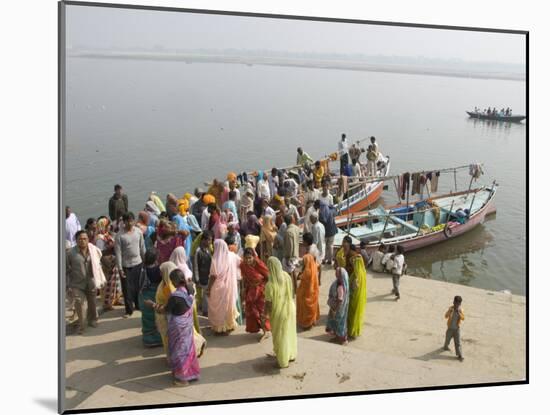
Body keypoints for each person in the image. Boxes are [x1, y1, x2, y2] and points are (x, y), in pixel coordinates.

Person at [146, 268, 200, 386]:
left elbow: (164, 310)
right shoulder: (189, 287)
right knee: (188, 349)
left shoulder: (175, 296)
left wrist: (152, 305)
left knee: (179, 351)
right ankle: (192, 373)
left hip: (178, 328)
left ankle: (183, 378)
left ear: (174, 281)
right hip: (187, 327)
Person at [66, 230, 105, 334]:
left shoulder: (93, 250)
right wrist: (67, 285)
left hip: (91, 281)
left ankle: (93, 320)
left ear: (88, 240)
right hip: (77, 284)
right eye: (80, 239)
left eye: (85, 239)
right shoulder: (70, 253)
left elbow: (99, 261)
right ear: (76, 240)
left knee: (92, 302)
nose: (82, 241)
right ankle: (82, 325)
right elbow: (65, 270)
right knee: (80, 304)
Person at [264, 257, 298, 368]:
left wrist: (264, 315)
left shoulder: (270, 285)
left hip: (279, 313)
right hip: (290, 308)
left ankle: (283, 361)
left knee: (280, 336)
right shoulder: (286, 276)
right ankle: (290, 355)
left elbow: (268, 304)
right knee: (289, 333)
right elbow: (292, 292)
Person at [114, 212, 146, 318]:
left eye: (131, 220)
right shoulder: (119, 235)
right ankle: (129, 310)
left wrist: (145, 261)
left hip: (138, 263)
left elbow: (142, 248)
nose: (129, 223)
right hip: (126, 265)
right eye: (127, 221)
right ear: (123, 222)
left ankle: (138, 305)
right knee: (127, 289)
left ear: (134, 220)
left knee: (138, 286)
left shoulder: (138, 232)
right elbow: (118, 253)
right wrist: (120, 268)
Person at [207, 239, 240, 335]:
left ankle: (220, 328)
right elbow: (240, 262)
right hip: (229, 286)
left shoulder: (215, 259)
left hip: (218, 287)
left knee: (219, 308)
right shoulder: (232, 256)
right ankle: (228, 325)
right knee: (228, 305)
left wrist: (209, 288)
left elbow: (213, 276)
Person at [240, 248, 271, 340]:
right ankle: (262, 329)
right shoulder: (243, 265)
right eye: (246, 258)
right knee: (253, 312)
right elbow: (244, 279)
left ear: (253, 257)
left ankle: (266, 331)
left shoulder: (259, 264)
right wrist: (244, 291)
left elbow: (268, 276)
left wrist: (265, 288)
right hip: (251, 291)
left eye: (250, 258)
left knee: (262, 311)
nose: (248, 260)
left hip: (261, 291)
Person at [96, 216, 122, 311]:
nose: (109, 227)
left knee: (116, 283)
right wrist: (111, 248)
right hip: (107, 263)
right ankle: (107, 304)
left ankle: (116, 299)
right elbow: (100, 252)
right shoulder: (100, 238)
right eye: (107, 225)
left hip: (113, 261)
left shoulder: (108, 235)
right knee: (108, 284)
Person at [138, 248, 163, 347]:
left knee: (147, 317)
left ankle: (147, 338)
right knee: (155, 317)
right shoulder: (157, 270)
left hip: (144, 295)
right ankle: (155, 339)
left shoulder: (142, 268)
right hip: (154, 295)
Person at [325, 267, 350, 345]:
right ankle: (337, 337)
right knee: (338, 323)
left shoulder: (340, 286)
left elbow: (340, 299)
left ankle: (342, 340)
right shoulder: (340, 283)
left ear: (341, 275)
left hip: (338, 308)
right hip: (337, 307)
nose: (335, 274)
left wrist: (335, 309)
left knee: (339, 323)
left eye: (337, 273)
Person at [296, 253, 320, 330]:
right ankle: (312, 321)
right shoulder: (314, 266)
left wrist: (300, 272)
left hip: (306, 294)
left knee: (305, 308)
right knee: (313, 307)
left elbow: (299, 277)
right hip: (313, 292)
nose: (303, 262)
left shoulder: (307, 271)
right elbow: (319, 265)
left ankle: (307, 324)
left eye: (304, 261)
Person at [193, 231, 213, 316]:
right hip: (202, 277)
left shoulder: (208, 251)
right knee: (205, 295)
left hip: (208, 276)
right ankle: (205, 311)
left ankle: (206, 310)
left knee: (206, 295)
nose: (210, 242)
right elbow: (196, 266)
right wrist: (197, 279)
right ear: (203, 240)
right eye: (209, 240)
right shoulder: (198, 252)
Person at [282, 214, 300, 294]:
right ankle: (295, 289)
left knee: (290, 274)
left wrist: (288, 257)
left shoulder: (288, 232)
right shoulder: (296, 228)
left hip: (290, 256)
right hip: (296, 253)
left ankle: (291, 290)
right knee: (294, 272)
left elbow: (290, 246)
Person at [443, 295, 465, 361]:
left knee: (458, 342)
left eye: (458, 304)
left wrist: (459, 313)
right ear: (453, 302)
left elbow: (463, 318)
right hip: (450, 328)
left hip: (456, 329)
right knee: (447, 339)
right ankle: (445, 346)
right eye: (455, 303)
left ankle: (460, 355)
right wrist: (449, 312)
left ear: (460, 304)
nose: (456, 305)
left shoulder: (460, 310)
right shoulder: (450, 309)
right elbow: (445, 316)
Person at [316, 200, 338, 265]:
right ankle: (330, 260)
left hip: (325, 233)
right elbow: (335, 210)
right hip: (332, 231)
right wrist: (331, 206)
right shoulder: (331, 211)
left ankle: (324, 259)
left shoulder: (320, 214)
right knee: (331, 246)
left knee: (324, 246)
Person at [310, 212, 326, 281]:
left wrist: (311, 250)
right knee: (320, 263)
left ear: (315, 218)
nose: (310, 220)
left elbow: (315, 240)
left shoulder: (315, 227)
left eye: (311, 219)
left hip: (317, 248)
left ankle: (316, 279)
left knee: (315, 264)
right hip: (322, 245)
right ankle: (319, 279)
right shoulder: (321, 225)